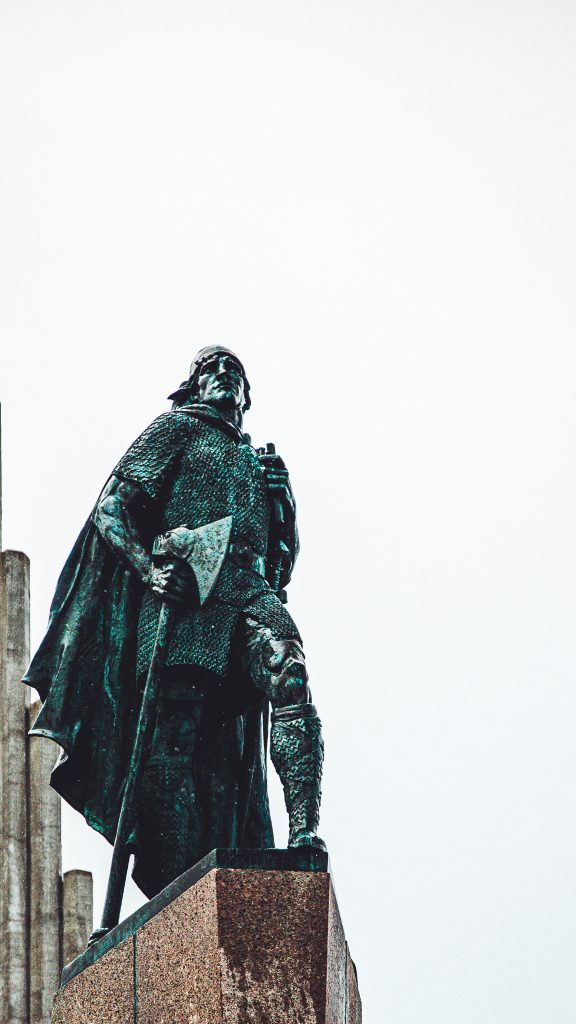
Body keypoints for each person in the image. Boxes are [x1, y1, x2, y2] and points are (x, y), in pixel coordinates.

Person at [24, 346, 325, 897]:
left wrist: (287, 512)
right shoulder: (175, 430)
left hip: (248, 596)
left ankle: (304, 832)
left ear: (246, 397)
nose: (222, 376)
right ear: (191, 386)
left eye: (233, 372)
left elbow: (280, 566)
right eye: (210, 369)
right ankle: (180, 881)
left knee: (290, 674)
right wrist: (149, 569)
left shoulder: (260, 465)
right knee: (176, 744)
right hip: (183, 607)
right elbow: (112, 506)